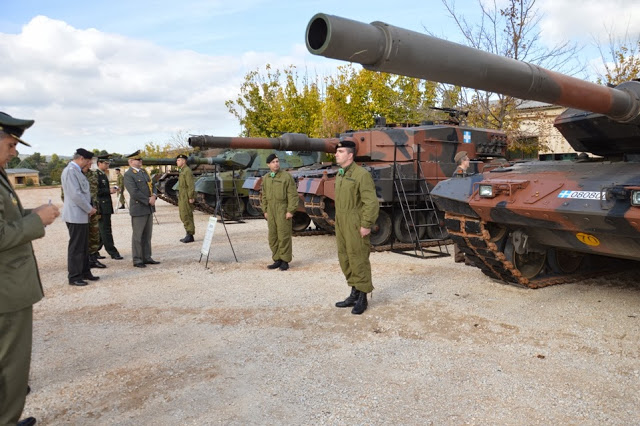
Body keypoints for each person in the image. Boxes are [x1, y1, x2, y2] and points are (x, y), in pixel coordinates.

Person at [0, 112, 60, 426]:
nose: (15, 152)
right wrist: (37, 220)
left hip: (8, 288)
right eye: (11, 144)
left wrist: (30, 212)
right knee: (10, 365)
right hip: (5, 293)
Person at [333, 139, 379, 315]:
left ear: (350, 155)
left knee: (358, 258)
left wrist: (366, 224)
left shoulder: (361, 175)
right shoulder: (340, 174)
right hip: (342, 222)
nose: (337, 154)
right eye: (337, 152)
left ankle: (363, 297)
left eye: (341, 151)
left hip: (355, 222)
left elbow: (371, 202)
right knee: (345, 258)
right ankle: (354, 291)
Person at [61, 148, 100, 286]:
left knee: (84, 246)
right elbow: (75, 194)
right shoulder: (70, 171)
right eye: (89, 161)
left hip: (81, 215)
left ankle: (84, 272)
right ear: (81, 159)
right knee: (76, 247)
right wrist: (89, 209)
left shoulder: (78, 171)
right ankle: (74, 276)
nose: (90, 164)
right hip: (75, 215)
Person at [260, 153, 298, 271]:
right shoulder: (266, 178)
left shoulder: (286, 177)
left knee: (284, 235)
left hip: (282, 209)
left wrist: (290, 210)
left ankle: (285, 260)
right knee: (273, 236)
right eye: (273, 162)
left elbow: (292, 195)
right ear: (268, 164)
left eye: (277, 161)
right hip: (271, 210)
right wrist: (265, 210)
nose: (276, 164)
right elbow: (264, 195)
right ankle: (277, 259)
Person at [123, 150, 160, 268]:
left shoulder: (144, 172)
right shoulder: (129, 174)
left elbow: (153, 185)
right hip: (139, 208)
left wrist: (154, 196)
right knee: (138, 236)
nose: (140, 161)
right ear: (131, 162)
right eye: (138, 160)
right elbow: (134, 192)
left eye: (140, 159)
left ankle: (147, 257)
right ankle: (137, 259)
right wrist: (147, 200)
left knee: (147, 235)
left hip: (149, 208)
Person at [96, 154, 123, 259]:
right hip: (101, 206)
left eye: (108, 163)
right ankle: (112, 252)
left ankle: (93, 252)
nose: (107, 165)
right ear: (99, 163)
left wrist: (112, 189)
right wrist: (109, 190)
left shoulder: (103, 174)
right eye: (105, 163)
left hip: (105, 206)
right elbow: (95, 191)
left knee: (101, 230)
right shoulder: (97, 175)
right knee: (105, 230)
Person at [85, 163, 106, 268]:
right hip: (82, 211)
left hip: (94, 209)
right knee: (83, 237)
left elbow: (97, 191)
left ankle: (93, 258)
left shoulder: (93, 174)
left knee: (95, 235)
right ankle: (83, 261)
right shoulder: (76, 175)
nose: (90, 163)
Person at [452, 150, 471, 263]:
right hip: (462, 206)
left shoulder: (460, 172)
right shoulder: (460, 172)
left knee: (459, 231)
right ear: (463, 161)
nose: (469, 162)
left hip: (459, 206)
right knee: (467, 231)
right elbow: (461, 190)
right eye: (468, 160)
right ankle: (469, 258)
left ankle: (459, 255)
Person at [176, 153, 195, 243]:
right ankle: (188, 233)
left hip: (186, 196)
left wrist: (191, 196)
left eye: (179, 160)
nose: (177, 162)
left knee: (187, 214)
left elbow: (190, 185)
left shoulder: (187, 171)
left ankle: (190, 234)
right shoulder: (182, 170)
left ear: (184, 161)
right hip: (182, 195)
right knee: (183, 215)